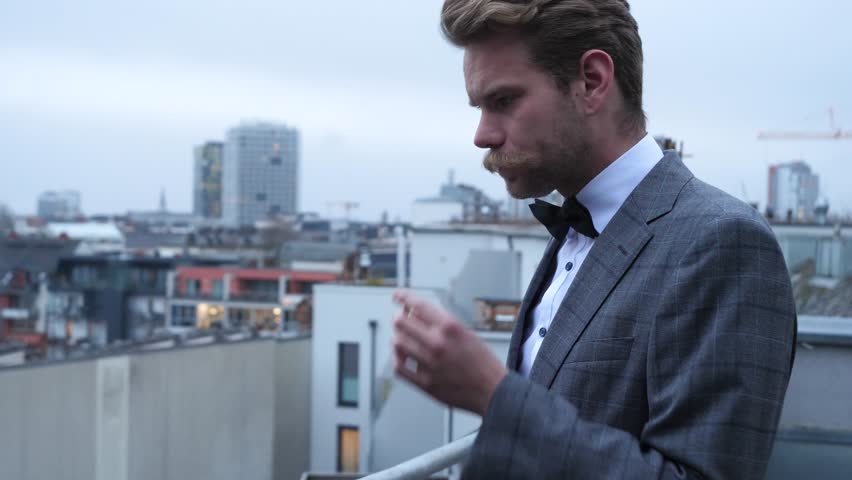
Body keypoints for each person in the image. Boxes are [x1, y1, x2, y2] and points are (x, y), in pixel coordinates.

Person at [391, 1, 798, 478]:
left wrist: (495, 396)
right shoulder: (574, 228)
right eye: (479, 107)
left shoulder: (724, 244)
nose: (482, 135)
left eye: (503, 101)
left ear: (591, 80)